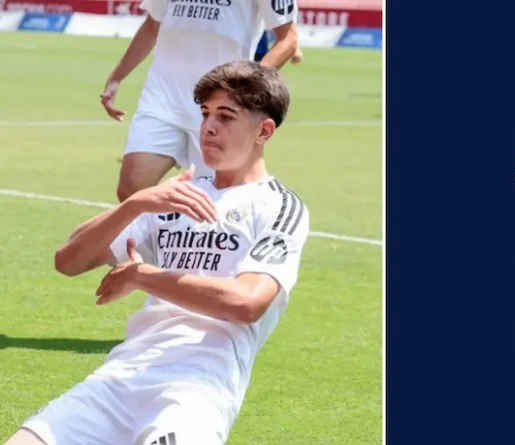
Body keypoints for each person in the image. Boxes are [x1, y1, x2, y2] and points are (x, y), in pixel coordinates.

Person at [5, 61, 309, 445]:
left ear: (264, 130)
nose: (208, 127)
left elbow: (247, 303)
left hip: (196, 389)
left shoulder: (277, 206)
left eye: (226, 116)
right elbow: (68, 261)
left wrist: (141, 275)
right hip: (119, 378)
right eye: (205, 114)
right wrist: (135, 204)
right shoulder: (174, 194)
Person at [101, 0, 299, 203]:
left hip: (221, 107)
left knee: (213, 202)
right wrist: (116, 77)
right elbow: (152, 26)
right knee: (132, 190)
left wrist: (248, 84)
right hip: (163, 98)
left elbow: (288, 39)